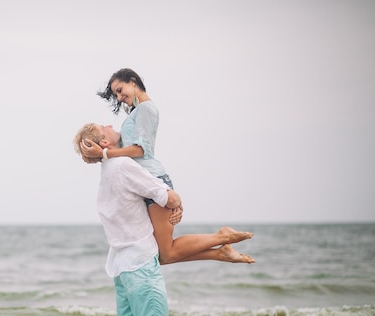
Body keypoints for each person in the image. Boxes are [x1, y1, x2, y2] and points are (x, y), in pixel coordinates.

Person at [80, 68, 254, 265]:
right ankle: (220, 253)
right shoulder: (137, 111)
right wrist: (93, 153)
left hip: (153, 180)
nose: (119, 97)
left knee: (166, 253)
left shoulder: (146, 108)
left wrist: (103, 153)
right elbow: (119, 147)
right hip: (144, 184)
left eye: (120, 90)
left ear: (133, 81)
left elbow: (140, 150)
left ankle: (222, 237)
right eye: (116, 94)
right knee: (161, 255)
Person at [73, 122, 182, 316]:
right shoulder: (121, 165)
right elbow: (164, 196)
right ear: (104, 142)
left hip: (121, 264)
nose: (110, 124)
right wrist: (177, 199)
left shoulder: (108, 171)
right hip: (139, 262)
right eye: (103, 126)